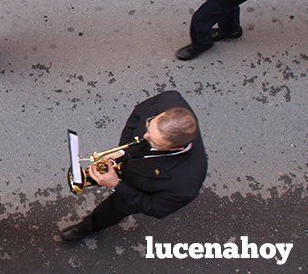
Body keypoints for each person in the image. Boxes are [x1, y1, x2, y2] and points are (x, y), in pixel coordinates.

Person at [60, 90, 207, 242]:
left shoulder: (187, 184)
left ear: (174, 147)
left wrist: (116, 185)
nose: (145, 136)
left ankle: (87, 227)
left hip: (135, 190)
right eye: (149, 127)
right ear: (162, 115)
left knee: (112, 211)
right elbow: (138, 113)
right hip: (129, 162)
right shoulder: (169, 99)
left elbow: (155, 208)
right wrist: (123, 150)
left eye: (154, 142)